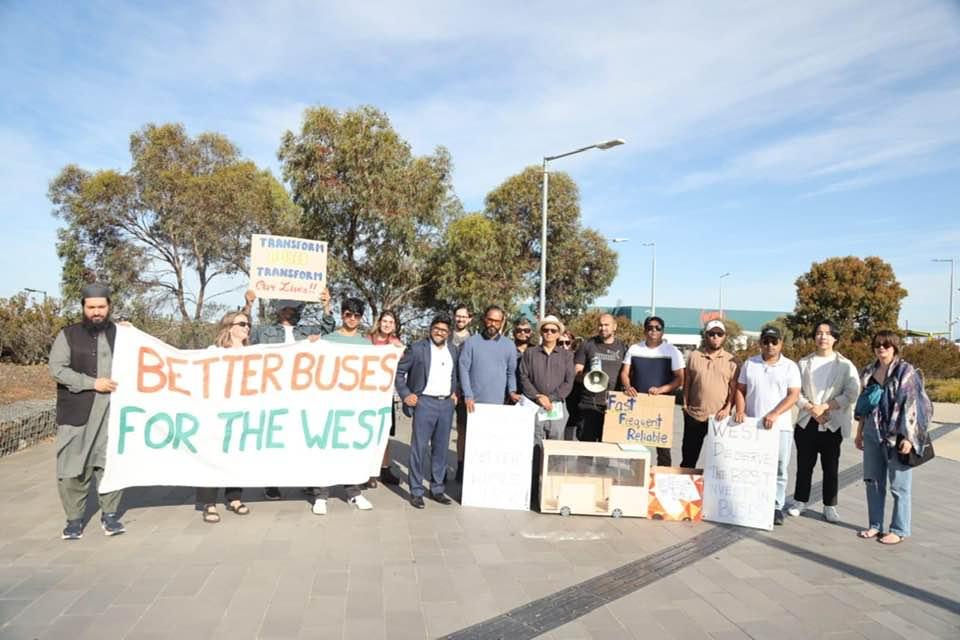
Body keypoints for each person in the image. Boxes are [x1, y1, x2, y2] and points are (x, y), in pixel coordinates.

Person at [49, 283, 125, 539]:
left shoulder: (122, 334)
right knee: (72, 468)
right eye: (91, 307)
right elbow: (57, 369)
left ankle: (110, 515)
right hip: (77, 414)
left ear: (109, 307)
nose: (96, 312)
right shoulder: (68, 335)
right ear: (83, 307)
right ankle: (74, 520)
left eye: (101, 307)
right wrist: (92, 384)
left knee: (110, 465)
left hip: (112, 414)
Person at [245, 287, 335, 500]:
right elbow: (244, 331)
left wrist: (326, 305)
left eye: (293, 308)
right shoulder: (263, 332)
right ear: (278, 310)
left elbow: (330, 331)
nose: (288, 311)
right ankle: (272, 483)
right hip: (272, 392)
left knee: (302, 437)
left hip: (301, 393)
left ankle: (306, 481)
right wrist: (249, 304)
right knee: (273, 439)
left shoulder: (307, 332)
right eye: (285, 307)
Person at [854, 330, 932, 545]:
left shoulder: (905, 372)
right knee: (873, 481)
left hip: (897, 435)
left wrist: (908, 437)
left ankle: (899, 529)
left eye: (886, 345)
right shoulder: (869, 371)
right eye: (878, 345)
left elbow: (914, 405)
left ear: (895, 348)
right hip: (871, 431)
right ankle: (875, 525)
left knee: (899, 485)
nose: (881, 349)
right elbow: (864, 405)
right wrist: (859, 432)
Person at [787, 320, 860, 523]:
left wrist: (825, 407)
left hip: (832, 421)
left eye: (828, 333)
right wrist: (811, 408)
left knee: (831, 467)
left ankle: (830, 505)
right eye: (819, 333)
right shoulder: (803, 363)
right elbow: (795, 392)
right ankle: (800, 501)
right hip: (807, 421)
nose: (823, 337)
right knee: (804, 465)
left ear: (835, 338)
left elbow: (852, 392)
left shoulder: (845, 365)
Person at [312, 297, 376, 513]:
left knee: (350, 449)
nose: (352, 318)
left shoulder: (366, 344)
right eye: (348, 314)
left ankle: (354, 493)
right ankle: (321, 494)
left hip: (354, 405)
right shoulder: (327, 340)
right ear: (342, 315)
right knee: (325, 448)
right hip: (328, 403)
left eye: (357, 315)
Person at [734, 326, 801, 526]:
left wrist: (775, 413)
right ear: (760, 343)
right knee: (753, 467)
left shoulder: (790, 366)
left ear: (781, 343)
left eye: (774, 341)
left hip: (780, 428)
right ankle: (753, 502)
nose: (770, 345)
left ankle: (776, 506)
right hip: (754, 427)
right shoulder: (750, 364)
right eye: (766, 341)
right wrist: (740, 410)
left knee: (779, 468)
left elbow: (793, 395)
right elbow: (740, 390)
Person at [395, 314, 459, 509]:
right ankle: (416, 491)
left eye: (444, 330)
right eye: (436, 328)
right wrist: (406, 394)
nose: (439, 332)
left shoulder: (453, 350)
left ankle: (437, 488)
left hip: (446, 405)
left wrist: (454, 393)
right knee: (419, 448)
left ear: (449, 333)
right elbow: (399, 373)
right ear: (430, 329)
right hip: (424, 403)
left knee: (440, 449)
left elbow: (454, 374)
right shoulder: (417, 349)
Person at [197, 310, 252, 523]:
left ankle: (234, 498)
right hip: (216, 413)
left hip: (241, 413)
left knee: (236, 455)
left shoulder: (254, 352)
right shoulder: (213, 352)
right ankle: (209, 503)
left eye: (248, 325)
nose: (246, 327)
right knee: (212, 455)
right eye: (242, 324)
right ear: (229, 327)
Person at [458, 305, 522, 478]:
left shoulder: (509, 346)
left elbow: (510, 373)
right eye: (490, 319)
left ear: (502, 323)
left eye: (497, 320)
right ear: (484, 319)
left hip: (496, 405)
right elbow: (463, 369)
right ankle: (464, 472)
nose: (492, 323)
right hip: (473, 403)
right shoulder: (471, 343)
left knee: (489, 445)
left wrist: (512, 391)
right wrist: (468, 395)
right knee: (470, 442)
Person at [520, 315, 575, 508]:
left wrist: (551, 398)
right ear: (541, 332)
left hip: (558, 409)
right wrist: (539, 397)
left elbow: (569, 382)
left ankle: (553, 493)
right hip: (536, 408)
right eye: (545, 330)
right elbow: (524, 377)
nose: (549, 333)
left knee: (555, 450)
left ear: (559, 333)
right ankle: (534, 494)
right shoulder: (530, 353)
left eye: (553, 330)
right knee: (535, 449)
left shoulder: (567, 355)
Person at [621, 315, 685, 466]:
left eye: (658, 328)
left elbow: (680, 378)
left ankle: (663, 476)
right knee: (634, 445)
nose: (653, 331)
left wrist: (663, 389)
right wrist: (628, 387)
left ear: (663, 331)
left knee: (663, 449)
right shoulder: (634, 348)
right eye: (650, 328)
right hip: (637, 403)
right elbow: (624, 373)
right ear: (645, 330)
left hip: (661, 405)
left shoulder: (672, 351)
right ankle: (635, 474)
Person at [680, 320, 739, 468]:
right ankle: (685, 489)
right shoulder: (694, 356)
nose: (715, 337)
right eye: (712, 334)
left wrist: (727, 409)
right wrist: (685, 405)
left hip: (719, 419)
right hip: (695, 415)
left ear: (724, 336)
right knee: (688, 460)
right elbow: (687, 382)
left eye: (719, 334)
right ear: (706, 335)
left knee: (718, 463)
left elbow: (734, 389)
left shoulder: (732, 361)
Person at [574, 314, 626, 442]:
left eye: (606, 325)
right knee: (587, 447)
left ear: (614, 327)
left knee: (609, 448)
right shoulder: (588, 344)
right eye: (600, 325)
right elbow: (576, 372)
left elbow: (628, 373)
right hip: (589, 403)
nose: (603, 328)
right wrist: (587, 376)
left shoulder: (623, 347)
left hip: (613, 405)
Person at [367, 309, 404, 488]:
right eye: (385, 321)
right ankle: (368, 471)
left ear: (394, 325)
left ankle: (385, 468)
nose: (387, 324)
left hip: (386, 395)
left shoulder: (396, 343)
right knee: (369, 432)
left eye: (391, 322)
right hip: (368, 393)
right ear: (379, 322)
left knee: (384, 433)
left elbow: (402, 366)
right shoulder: (368, 340)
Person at [450, 304, 473, 482]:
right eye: (458, 316)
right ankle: (439, 467)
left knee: (463, 431)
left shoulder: (473, 341)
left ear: (469, 319)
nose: (460, 319)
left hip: (465, 391)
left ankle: (461, 465)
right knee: (440, 432)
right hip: (446, 391)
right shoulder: (445, 336)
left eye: (464, 317)